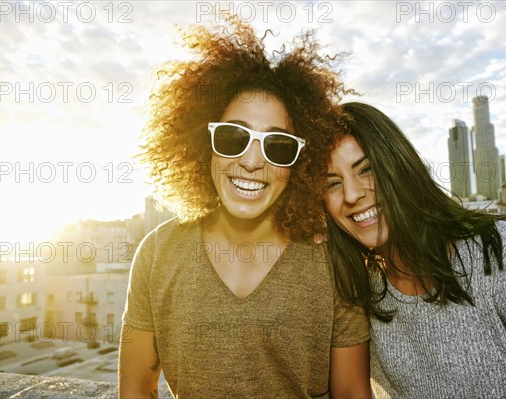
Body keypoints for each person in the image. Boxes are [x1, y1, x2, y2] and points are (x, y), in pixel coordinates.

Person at [118, 19, 371, 398]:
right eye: (233, 137)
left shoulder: (331, 259)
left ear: (299, 163)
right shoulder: (156, 254)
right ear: (203, 143)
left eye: (278, 146)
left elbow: (352, 395)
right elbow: (137, 389)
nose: (252, 162)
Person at [322, 101, 506, 398]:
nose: (351, 194)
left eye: (366, 170)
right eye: (332, 184)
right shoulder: (359, 289)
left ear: (399, 166)